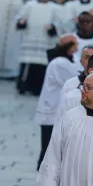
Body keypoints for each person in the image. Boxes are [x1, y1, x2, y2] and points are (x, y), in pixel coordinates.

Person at [34, 35, 79, 168]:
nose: (78, 48)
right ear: (70, 47)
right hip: (53, 109)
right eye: (76, 44)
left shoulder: (64, 61)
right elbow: (73, 81)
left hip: (54, 108)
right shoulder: (60, 63)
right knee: (49, 145)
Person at [15, 0, 61, 95]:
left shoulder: (54, 7)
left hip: (45, 40)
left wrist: (53, 27)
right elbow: (20, 18)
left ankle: (37, 89)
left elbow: (58, 23)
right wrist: (22, 22)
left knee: (41, 66)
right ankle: (22, 87)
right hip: (30, 39)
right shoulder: (30, 4)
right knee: (27, 63)